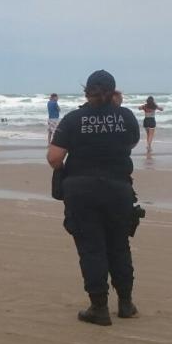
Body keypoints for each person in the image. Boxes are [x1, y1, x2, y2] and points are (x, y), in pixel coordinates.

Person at [47, 70, 141, 326]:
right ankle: (125, 303)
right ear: (114, 92)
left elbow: (55, 158)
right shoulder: (126, 117)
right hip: (119, 188)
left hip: (81, 191)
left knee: (91, 248)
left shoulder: (74, 119)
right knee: (119, 246)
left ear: (86, 90)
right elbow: (131, 143)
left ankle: (99, 307)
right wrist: (115, 111)